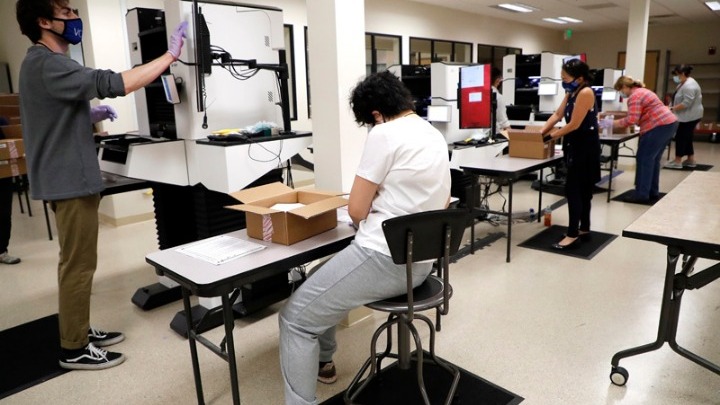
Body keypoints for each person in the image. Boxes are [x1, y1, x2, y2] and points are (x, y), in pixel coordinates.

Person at [16, 0, 187, 370]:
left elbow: (50, 113)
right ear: (44, 21)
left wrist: (87, 113)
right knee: (78, 265)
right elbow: (114, 83)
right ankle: (73, 348)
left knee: (76, 262)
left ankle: (77, 328)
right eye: (67, 13)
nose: (74, 17)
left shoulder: (37, 63)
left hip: (63, 179)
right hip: (69, 183)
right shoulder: (50, 62)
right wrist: (169, 56)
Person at [278, 70, 451, 405]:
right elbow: (442, 202)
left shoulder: (384, 133)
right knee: (316, 280)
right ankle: (324, 361)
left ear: (376, 114)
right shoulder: (432, 134)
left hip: (382, 260)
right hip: (418, 263)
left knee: (294, 320)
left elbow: (356, 210)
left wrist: (368, 210)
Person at [539, 59, 600, 250]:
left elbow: (574, 124)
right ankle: (584, 229)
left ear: (579, 78)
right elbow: (557, 115)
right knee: (581, 190)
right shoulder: (571, 92)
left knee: (575, 190)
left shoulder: (586, 92)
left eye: (565, 78)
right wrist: (540, 132)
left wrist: (550, 137)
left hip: (585, 146)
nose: (563, 82)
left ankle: (573, 234)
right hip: (575, 143)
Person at [607, 76, 678, 203]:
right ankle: (652, 192)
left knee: (644, 159)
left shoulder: (634, 96)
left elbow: (631, 119)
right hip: (669, 123)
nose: (621, 94)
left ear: (624, 87)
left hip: (657, 126)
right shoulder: (644, 91)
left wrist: (612, 123)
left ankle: (641, 194)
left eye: (620, 90)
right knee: (653, 160)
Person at [665, 64, 703, 169]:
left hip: (690, 116)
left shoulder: (690, 86)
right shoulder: (683, 83)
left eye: (676, 74)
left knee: (681, 137)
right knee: (687, 137)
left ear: (682, 73)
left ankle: (677, 161)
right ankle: (690, 159)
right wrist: (670, 106)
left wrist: (671, 109)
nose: (675, 77)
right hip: (686, 115)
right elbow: (676, 98)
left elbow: (686, 103)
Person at [0, 121, 22, 265]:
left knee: (4, 213)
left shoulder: (2, 122)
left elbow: (12, 142)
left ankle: (2, 251)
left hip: (3, 175)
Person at [491, 66, 511, 137]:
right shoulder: (498, 97)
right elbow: (503, 123)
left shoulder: (481, 95)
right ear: (498, 80)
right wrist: (513, 139)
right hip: (495, 136)